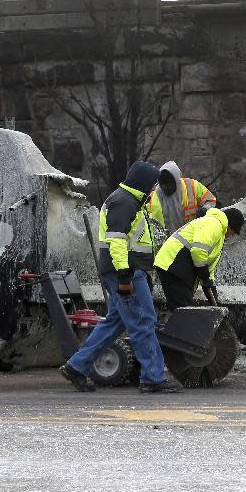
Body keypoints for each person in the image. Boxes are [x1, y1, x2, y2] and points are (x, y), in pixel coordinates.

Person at [60, 161, 182, 394]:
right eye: (152, 184)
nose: (154, 189)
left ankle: (77, 366)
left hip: (126, 271)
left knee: (115, 323)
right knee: (143, 321)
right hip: (126, 273)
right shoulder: (124, 202)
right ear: (143, 183)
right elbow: (117, 242)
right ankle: (153, 377)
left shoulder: (126, 200)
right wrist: (125, 275)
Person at [153, 207, 244, 310]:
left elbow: (208, 269)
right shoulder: (214, 224)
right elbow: (199, 250)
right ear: (230, 226)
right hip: (173, 263)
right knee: (184, 309)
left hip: (178, 267)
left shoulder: (219, 236)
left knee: (184, 308)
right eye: (233, 233)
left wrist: (213, 296)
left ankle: (177, 324)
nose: (231, 236)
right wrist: (204, 276)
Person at [147, 161, 218, 235]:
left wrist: (205, 209)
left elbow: (210, 200)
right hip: (167, 241)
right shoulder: (154, 196)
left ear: (176, 181)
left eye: (168, 183)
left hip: (192, 236)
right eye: (162, 184)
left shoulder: (192, 185)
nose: (165, 187)